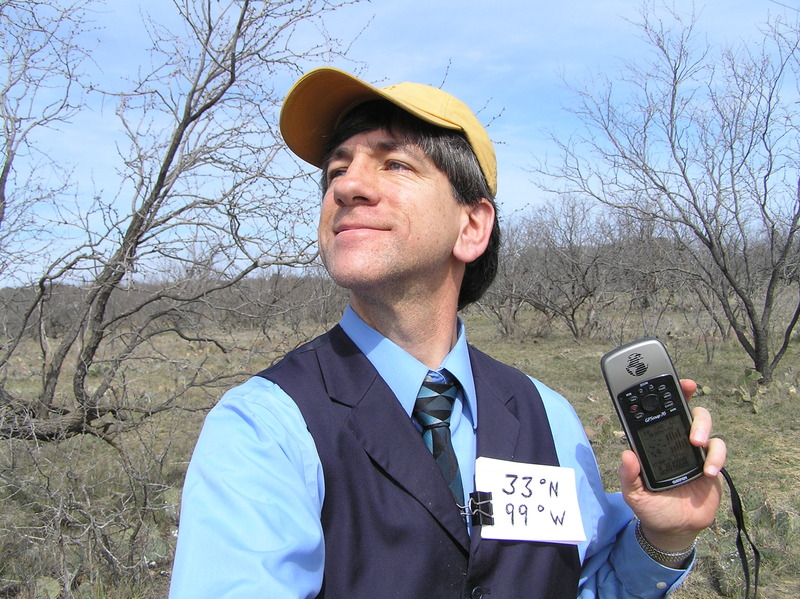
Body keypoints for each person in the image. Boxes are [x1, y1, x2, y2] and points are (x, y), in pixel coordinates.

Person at [168, 67, 726, 598]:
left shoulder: (547, 417)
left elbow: (578, 584)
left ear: (472, 225)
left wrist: (665, 538)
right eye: (337, 170)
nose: (349, 186)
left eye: (395, 165)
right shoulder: (264, 429)